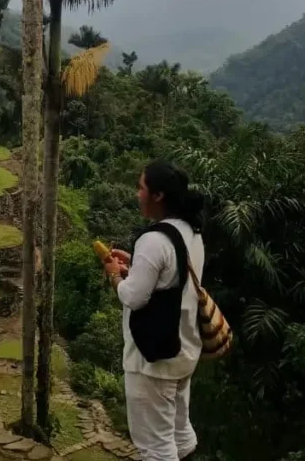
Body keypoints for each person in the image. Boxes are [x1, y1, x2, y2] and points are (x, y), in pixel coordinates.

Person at [102, 160, 205, 461]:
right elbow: (171, 279)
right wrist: (134, 265)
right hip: (184, 349)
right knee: (179, 432)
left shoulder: (153, 239)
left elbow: (134, 297)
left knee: (155, 448)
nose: (137, 194)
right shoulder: (192, 232)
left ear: (158, 195)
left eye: (141, 188)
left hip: (152, 360)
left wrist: (114, 274)